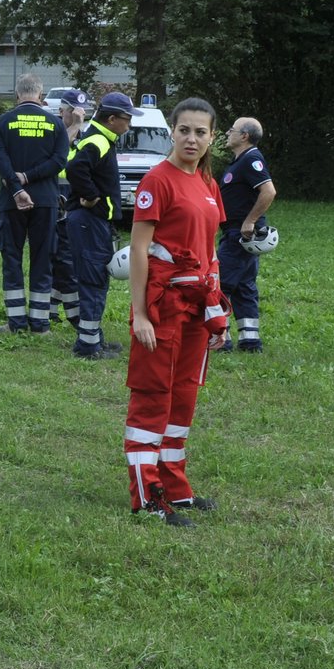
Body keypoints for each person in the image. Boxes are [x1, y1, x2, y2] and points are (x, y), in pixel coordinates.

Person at [125, 98, 230, 528]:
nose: (192, 138)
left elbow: (210, 253)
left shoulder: (208, 184)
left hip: (196, 310)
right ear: (172, 131)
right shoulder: (158, 180)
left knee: (184, 395)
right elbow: (138, 248)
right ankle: (146, 495)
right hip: (163, 307)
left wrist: (216, 311)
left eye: (200, 132)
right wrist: (140, 315)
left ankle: (174, 487)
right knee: (154, 396)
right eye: (184, 130)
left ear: (211, 138)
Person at [0, 74, 69, 333]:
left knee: (12, 259)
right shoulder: (56, 124)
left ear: (16, 95)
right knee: (42, 259)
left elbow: (0, 161)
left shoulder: (3, 122)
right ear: (41, 95)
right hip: (46, 201)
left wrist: (15, 187)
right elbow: (59, 161)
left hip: (12, 203)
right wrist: (30, 177)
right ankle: (40, 323)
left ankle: (15, 322)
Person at [64, 92, 136, 358]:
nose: (129, 125)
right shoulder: (98, 139)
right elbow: (74, 170)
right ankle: (87, 347)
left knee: (94, 279)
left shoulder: (102, 137)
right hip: (89, 221)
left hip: (92, 221)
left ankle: (93, 339)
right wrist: (92, 197)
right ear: (113, 119)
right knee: (94, 280)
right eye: (127, 119)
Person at [217, 117, 277, 353]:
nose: (227, 133)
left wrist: (249, 221)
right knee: (244, 287)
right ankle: (250, 342)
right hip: (238, 234)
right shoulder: (240, 161)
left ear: (244, 136)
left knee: (220, 285)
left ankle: (221, 339)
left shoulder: (251, 158)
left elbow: (269, 190)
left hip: (239, 235)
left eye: (231, 130)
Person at [50, 89, 94, 329]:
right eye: (72, 111)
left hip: (75, 202)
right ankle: (74, 314)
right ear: (61, 111)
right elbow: (56, 153)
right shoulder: (57, 131)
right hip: (55, 199)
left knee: (66, 256)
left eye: (82, 111)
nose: (78, 115)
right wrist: (75, 126)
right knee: (59, 256)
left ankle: (50, 307)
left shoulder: (86, 135)